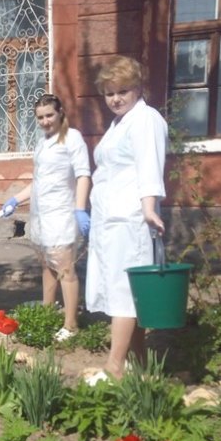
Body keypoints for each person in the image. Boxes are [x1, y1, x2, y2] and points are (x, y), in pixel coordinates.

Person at [84, 56, 168, 384]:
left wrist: (149, 208)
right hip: (110, 220)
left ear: (138, 88)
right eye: (109, 93)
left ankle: (114, 367)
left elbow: (149, 165)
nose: (116, 99)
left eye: (123, 91)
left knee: (124, 293)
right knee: (125, 292)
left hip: (131, 219)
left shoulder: (146, 119)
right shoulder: (120, 123)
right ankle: (140, 366)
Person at [0, 94, 91, 342]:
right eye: (40, 117)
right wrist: (16, 199)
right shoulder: (41, 143)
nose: (45, 121)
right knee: (47, 267)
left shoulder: (73, 138)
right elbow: (38, 182)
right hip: (40, 216)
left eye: (49, 115)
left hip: (61, 214)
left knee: (65, 269)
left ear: (60, 113)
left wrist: (80, 209)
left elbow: (83, 175)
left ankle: (71, 326)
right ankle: (48, 315)